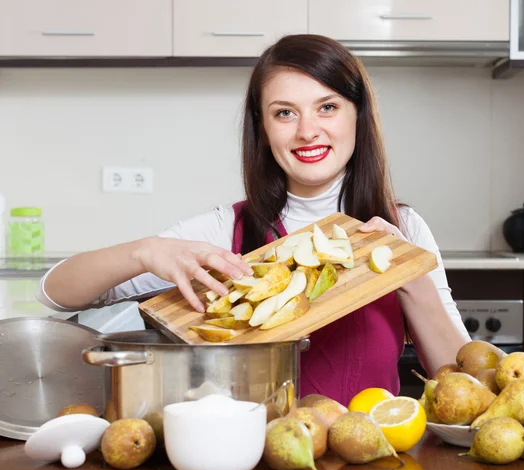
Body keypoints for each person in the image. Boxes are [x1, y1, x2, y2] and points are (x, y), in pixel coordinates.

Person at [37, 34, 470, 406]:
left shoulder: (404, 228)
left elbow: (462, 381)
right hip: (254, 466)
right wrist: (147, 251)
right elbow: (56, 293)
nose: (307, 131)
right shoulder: (224, 229)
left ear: (358, 114)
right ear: (262, 128)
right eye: (285, 113)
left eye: (327, 107)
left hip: (372, 463)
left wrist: (409, 274)